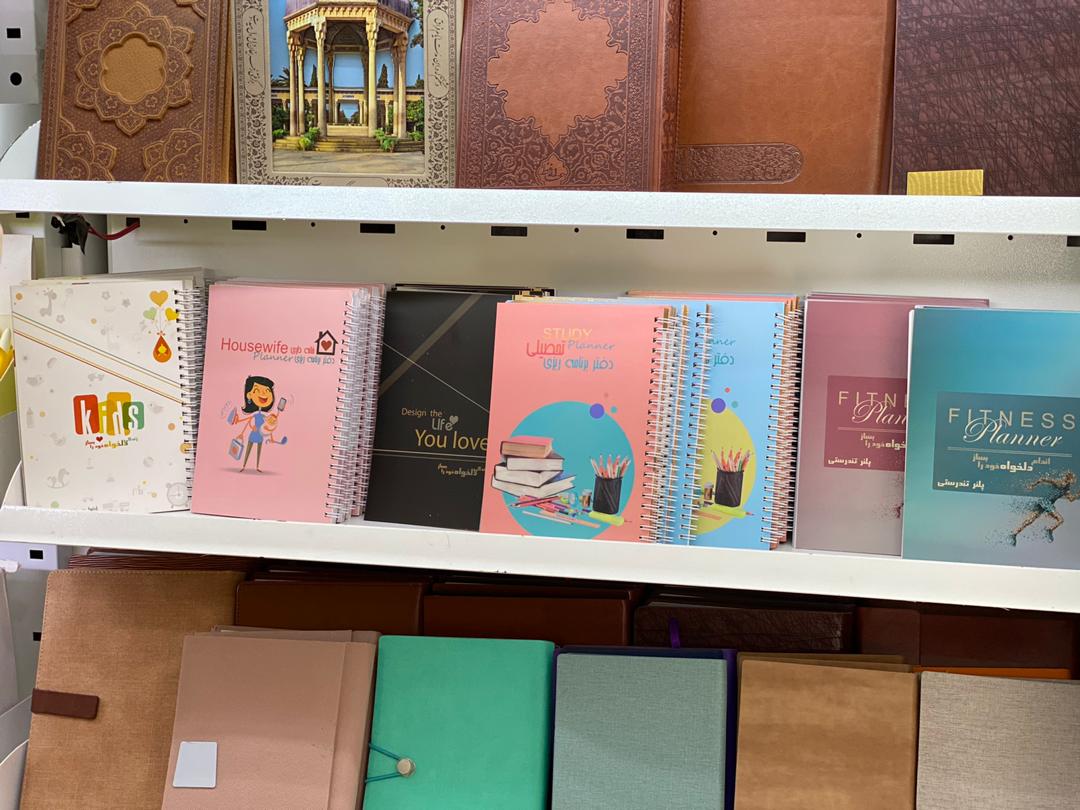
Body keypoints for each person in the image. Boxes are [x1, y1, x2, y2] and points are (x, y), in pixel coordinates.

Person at [1010, 471, 1080, 543]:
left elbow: (1071, 499)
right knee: (1060, 520)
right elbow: (1044, 479)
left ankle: (1014, 534)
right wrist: (1033, 485)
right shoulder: (1060, 483)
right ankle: (1049, 530)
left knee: (1030, 520)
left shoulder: (1067, 489)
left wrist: (1078, 493)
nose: (1074, 481)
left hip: (1045, 503)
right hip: (1046, 502)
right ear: (1069, 479)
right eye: (1073, 479)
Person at [233, 375, 280, 472]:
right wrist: (248, 425)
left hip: (260, 435)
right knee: (248, 450)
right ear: (249, 395)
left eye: (267, 391)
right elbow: (248, 421)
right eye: (257, 390)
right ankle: (244, 466)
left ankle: (257, 467)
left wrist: (271, 437)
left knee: (259, 451)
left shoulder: (265, 416)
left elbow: (269, 427)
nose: (263, 394)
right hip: (253, 434)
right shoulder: (255, 414)